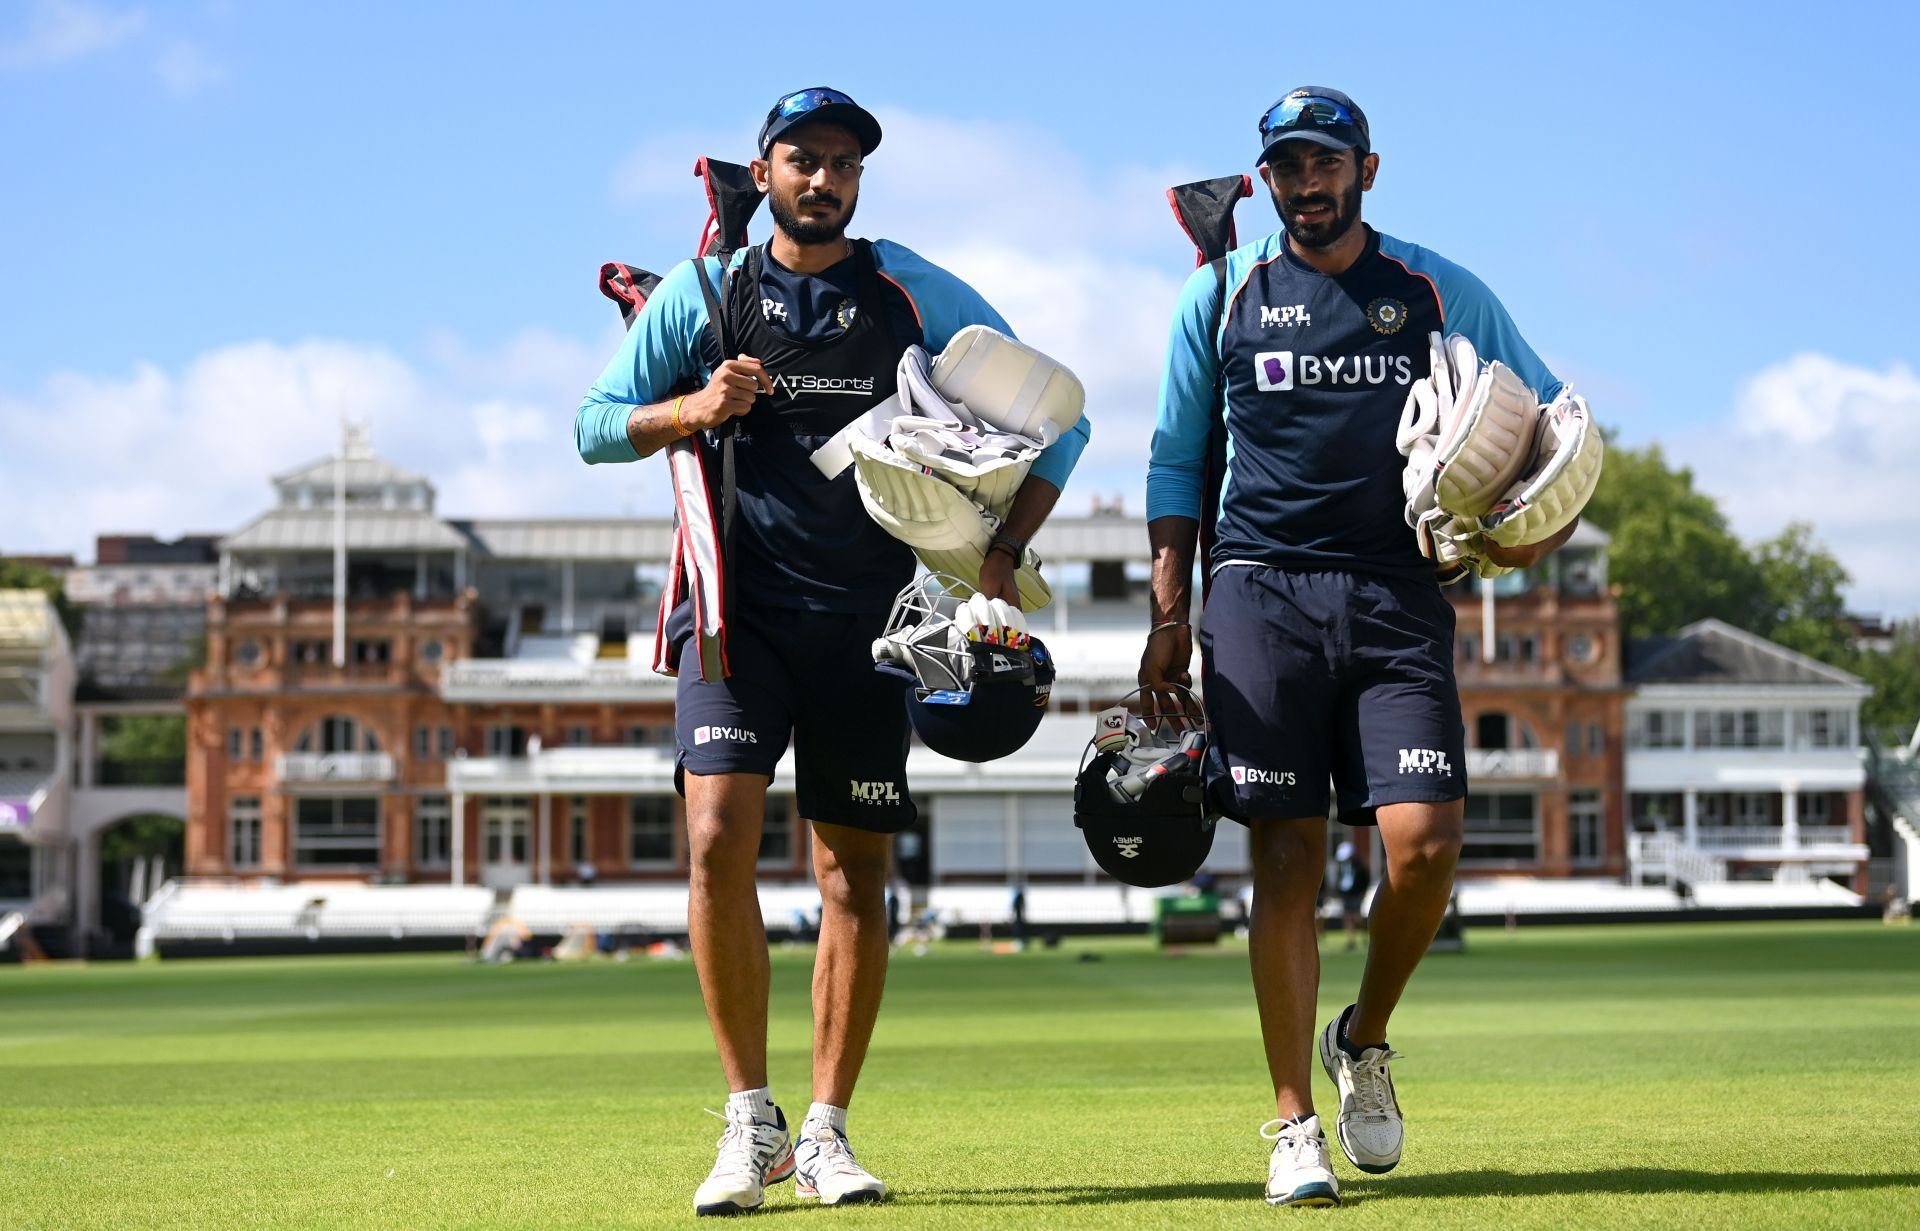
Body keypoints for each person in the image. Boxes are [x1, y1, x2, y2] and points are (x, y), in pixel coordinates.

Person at [575, 86, 1089, 1217]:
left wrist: (999, 557)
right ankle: (746, 1120)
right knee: (715, 832)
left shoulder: (908, 290)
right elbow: (594, 425)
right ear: (762, 174)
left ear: (859, 180)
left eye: (844, 163)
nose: (824, 178)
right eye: (803, 159)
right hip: (734, 616)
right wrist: (696, 406)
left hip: (870, 626)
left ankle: (825, 1132)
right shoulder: (703, 294)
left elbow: (1066, 420)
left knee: (852, 872)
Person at [1139, 86, 1577, 1208]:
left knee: (1423, 847)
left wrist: (1531, 528)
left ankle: (1364, 1036)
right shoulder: (1221, 295)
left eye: (1326, 163)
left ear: (1367, 172)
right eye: (1286, 166)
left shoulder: (1436, 289)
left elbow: (1552, 422)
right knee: (1282, 855)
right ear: (1269, 179)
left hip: (1395, 591)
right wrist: (1169, 614)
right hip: (1259, 590)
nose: (1307, 183)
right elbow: (1176, 462)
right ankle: (1292, 1123)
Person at [1333, 840, 1371, 952]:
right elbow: (1339, 879)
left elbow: (1365, 880)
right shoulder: (1341, 866)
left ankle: (1366, 935)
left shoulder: (1359, 866)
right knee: (1347, 917)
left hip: (1356, 894)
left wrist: (1362, 893)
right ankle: (1351, 941)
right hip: (1345, 894)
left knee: (1357, 918)